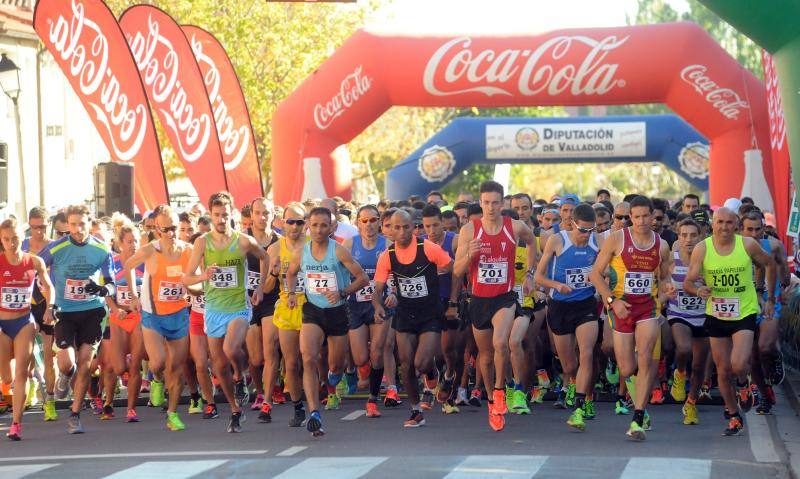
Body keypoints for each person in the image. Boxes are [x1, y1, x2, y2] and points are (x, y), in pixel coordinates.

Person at [684, 207, 776, 436]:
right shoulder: (702, 249)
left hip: (743, 311)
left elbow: (768, 264)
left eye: (729, 222)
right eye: (720, 222)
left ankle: (743, 384)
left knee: (737, 364)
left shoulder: (747, 245)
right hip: (716, 313)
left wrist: (767, 295)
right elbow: (688, 282)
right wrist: (698, 290)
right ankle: (734, 416)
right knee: (723, 370)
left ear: (736, 224)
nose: (724, 227)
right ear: (712, 224)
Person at [453, 181, 537, 432]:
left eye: (495, 202)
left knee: (502, 343)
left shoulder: (515, 226)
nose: (490, 207)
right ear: (480, 203)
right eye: (486, 202)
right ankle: (491, 399)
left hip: (505, 297)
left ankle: (501, 390)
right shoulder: (469, 231)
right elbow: (456, 271)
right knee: (486, 357)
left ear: (503, 204)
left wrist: (530, 273)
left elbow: (532, 243)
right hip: (479, 300)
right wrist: (470, 255)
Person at [183, 191, 269, 433]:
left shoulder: (243, 241)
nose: (221, 220)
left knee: (231, 349)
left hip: (239, 308)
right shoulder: (202, 242)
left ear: (232, 214)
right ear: (210, 215)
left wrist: (260, 287)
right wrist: (203, 276)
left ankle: (240, 377)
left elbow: (265, 258)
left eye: (225, 215)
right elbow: (187, 278)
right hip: (213, 310)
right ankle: (234, 409)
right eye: (216, 215)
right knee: (218, 367)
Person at [589, 195, 673, 441]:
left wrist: (668, 287)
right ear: (630, 218)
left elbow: (664, 276)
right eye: (636, 217)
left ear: (653, 216)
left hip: (647, 308)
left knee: (646, 356)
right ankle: (636, 394)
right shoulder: (617, 239)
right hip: (621, 309)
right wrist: (613, 302)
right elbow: (594, 274)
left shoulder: (661, 245)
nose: (641, 221)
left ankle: (638, 415)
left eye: (646, 216)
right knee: (627, 368)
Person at [285, 207, 368, 437]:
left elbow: (362, 278)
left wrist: (342, 292)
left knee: (335, 366)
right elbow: (291, 273)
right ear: (308, 226)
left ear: (332, 228)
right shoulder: (300, 252)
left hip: (337, 312)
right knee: (308, 358)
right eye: (315, 225)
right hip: (313, 310)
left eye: (324, 225)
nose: (319, 230)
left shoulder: (339, 251)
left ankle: (333, 379)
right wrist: (292, 293)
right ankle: (314, 413)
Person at [39, 205, 117, 434]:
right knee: (67, 363)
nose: (77, 229)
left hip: (92, 311)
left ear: (89, 223)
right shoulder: (56, 248)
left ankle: (74, 415)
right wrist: (49, 300)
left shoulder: (102, 248)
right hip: (65, 311)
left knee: (84, 364)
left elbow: (112, 285)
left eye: (81, 224)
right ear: (68, 225)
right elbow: (37, 270)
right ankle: (64, 375)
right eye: (73, 224)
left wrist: (102, 289)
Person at [373, 209, 453, 427]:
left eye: (405, 227)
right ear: (389, 230)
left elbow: (451, 269)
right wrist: (377, 306)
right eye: (395, 227)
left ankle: (433, 370)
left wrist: (452, 300)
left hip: (430, 314)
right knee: (407, 365)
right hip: (405, 314)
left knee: (421, 362)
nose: (401, 232)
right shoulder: (387, 256)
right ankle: (416, 411)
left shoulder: (428, 248)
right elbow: (377, 288)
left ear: (413, 228)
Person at [126, 206, 195, 431]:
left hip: (179, 315)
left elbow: (197, 282)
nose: (171, 233)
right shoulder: (149, 251)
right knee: (157, 363)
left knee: (177, 367)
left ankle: (172, 414)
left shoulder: (189, 250)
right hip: (153, 315)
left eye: (174, 228)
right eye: (166, 229)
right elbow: (127, 266)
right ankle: (156, 379)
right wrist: (134, 297)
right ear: (157, 230)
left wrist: (193, 290)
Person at [535, 204, 600, 431]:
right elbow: (539, 277)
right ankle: (574, 383)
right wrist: (557, 286)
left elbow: (605, 271)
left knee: (587, 354)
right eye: (583, 230)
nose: (586, 235)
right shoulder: (557, 241)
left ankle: (582, 405)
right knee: (569, 365)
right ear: (572, 224)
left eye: (591, 230)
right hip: (560, 306)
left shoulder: (597, 242)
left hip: (586, 305)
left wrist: (600, 283)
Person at [1, 218, 54, 440]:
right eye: (6, 239)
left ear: (21, 238)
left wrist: (50, 307)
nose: (11, 243)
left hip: (24, 321)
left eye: (14, 239)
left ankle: (16, 424)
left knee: (22, 372)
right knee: (7, 377)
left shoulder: (34, 262)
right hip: (2, 324)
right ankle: (8, 387)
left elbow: (49, 287)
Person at [260, 203, 307, 427]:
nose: (295, 226)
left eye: (299, 222)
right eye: (291, 221)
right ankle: (298, 407)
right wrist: (273, 272)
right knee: (291, 363)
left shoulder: (313, 245)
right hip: (287, 307)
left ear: (305, 224)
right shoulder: (275, 249)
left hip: (311, 306)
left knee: (311, 359)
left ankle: (322, 395)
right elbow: (268, 287)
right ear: (283, 223)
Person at [343, 205, 393, 417]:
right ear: (357, 223)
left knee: (377, 352)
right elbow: (339, 270)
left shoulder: (388, 244)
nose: (369, 224)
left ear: (379, 222)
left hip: (380, 304)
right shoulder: (349, 244)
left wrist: (394, 293)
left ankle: (373, 400)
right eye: (364, 221)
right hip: (356, 304)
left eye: (373, 220)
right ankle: (363, 370)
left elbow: (398, 272)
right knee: (361, 357)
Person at [739, 211, 789, 413]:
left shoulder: (774, 245)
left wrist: (783, 289)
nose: (754, 233)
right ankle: (765, 393)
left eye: (757, 229)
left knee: (765, 347)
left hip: (769, 302)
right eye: (749, 229)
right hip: (745, 305)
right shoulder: (735, 248)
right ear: (741, 229)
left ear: (763, 228)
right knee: (752, 357)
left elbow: (784, 268)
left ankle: (776, 357)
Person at [666, 219, 710, 426]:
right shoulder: (671, 258)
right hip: (678, 313)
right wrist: (666, 289)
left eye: (693, 235)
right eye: (684, 235)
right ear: (678, 237)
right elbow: (660, 279)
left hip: (704, 316)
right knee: (683, 349)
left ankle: (691, 404)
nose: (689, 239)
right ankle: (680, 372)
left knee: (700, 364)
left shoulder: (708, 260)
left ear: (701, 237)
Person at [419, 204, 463, 413]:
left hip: (449, 301)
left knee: (448, 349)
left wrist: (454, 302)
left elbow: (458, 273)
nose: (432, 230)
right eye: (427, 226)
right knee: (429, 351)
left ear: (442, 224)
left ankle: (449, 376)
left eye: (436, 225)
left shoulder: (453, 240)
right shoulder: (419, 244)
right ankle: (432, 377)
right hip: (427, 303)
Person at [245, 198, 280, 412]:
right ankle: (259, 391)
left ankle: (267, 395)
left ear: (273, 215)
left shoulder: (279, 241)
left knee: (270, 350)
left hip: (272, 300)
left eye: (266, 213)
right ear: (251, 215)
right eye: (257, 213)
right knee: (255, 357)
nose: (262, 217)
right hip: (247, 301)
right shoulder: (242, 241)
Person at [22, 207, 57, 421]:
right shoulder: (22, 244)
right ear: (29, 225)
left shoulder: (55, 247)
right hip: (26, 304)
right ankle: (33, 381)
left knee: (49, 356)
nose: (38, 232)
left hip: (46, 303)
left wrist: (51, 307)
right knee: (26, 353)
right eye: (34, 227)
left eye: (42, 227)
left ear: (48, 224)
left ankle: (50, 402)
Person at [109, 224, 146, 423]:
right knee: (118, 367)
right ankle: (125, 364)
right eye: (129, 242)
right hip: (118, 317)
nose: (134, 245)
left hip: (138, 317)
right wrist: (115, 309)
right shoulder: (112, 262)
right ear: (120, 243)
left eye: (136, 241)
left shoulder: (145, 261)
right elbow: (104, 289)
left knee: (135, 366)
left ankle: (131, 409)